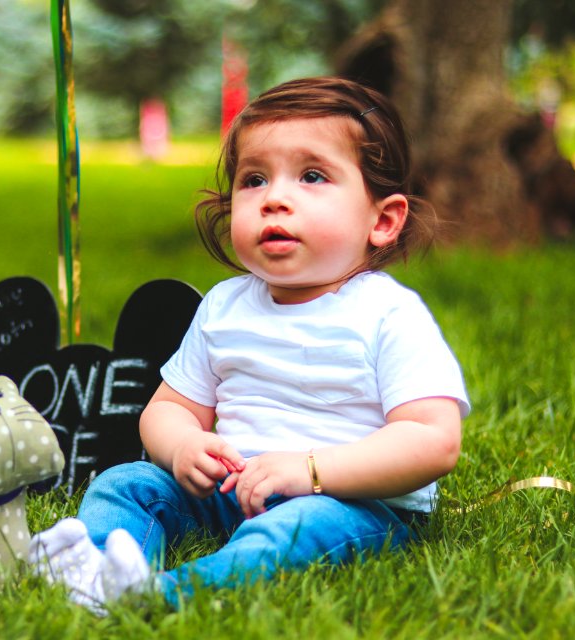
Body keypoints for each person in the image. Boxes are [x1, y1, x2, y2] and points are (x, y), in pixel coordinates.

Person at [29, 76, 470, 612]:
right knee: (130, 480)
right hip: (232, 490)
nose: (275, 200)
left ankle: (168, 594)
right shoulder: (224, 306)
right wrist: (183, 446)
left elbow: (433, 439)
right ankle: (94, 570)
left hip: (350, 501)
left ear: (382, 220)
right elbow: (165, 411)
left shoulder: (387, 314)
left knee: (294, 529)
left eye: (311, 176)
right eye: (254, 179)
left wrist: (311, 470)